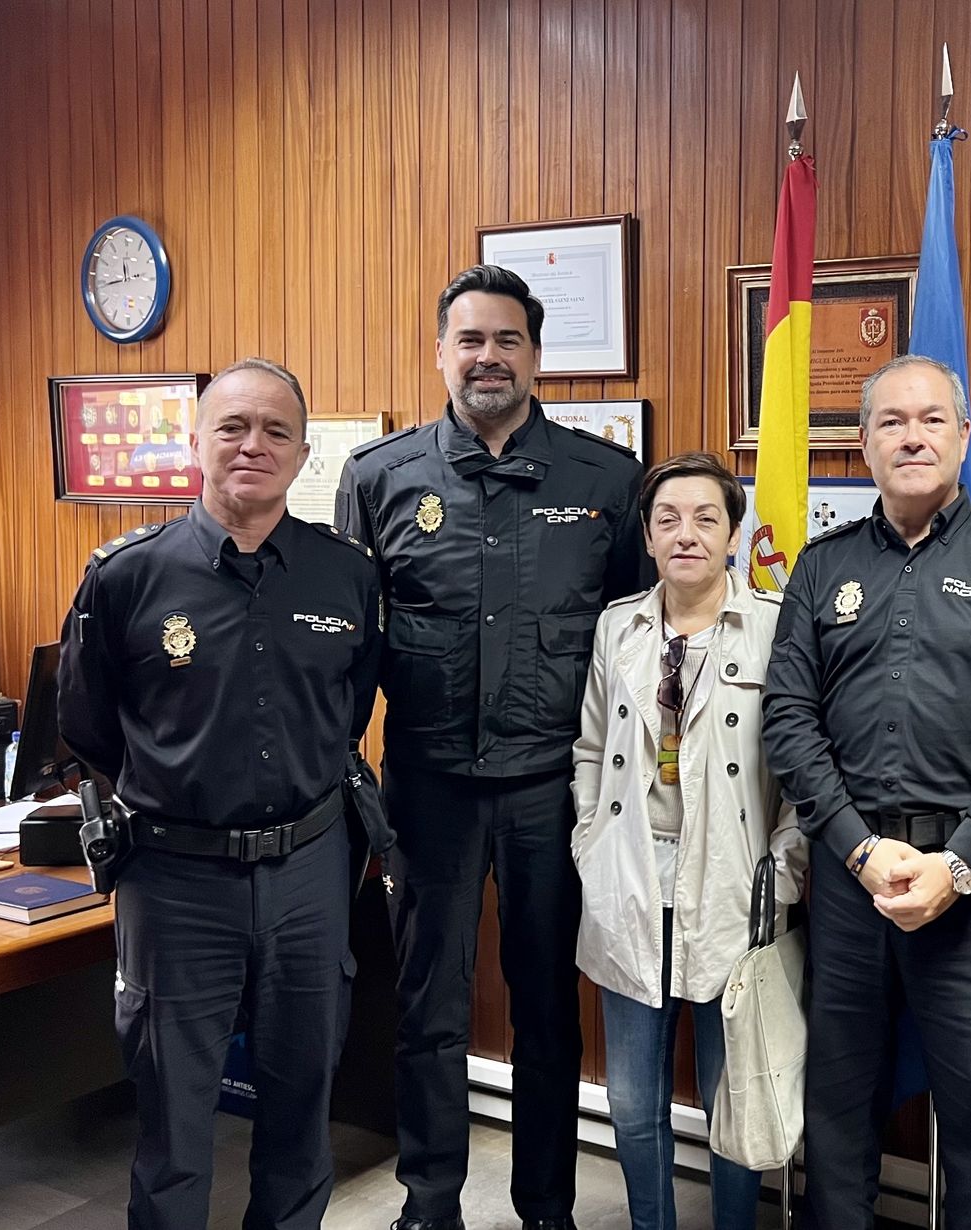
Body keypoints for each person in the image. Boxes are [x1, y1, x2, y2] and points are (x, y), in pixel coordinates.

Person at [335, 264, 652, 1230]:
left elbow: (633, 644)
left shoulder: (606, 480)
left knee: (548, 1013)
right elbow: (354, 644)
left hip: (551, 794)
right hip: (425, 789)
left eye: (506, 340)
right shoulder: (378, 478)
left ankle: (546, 1208)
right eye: (469, 340)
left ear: (536, 356)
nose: (487, 357)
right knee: (427, 1011)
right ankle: (430, 1202)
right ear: (441, 353)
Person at [58, 357, 383, 1230]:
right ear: (196, 441)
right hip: (174, 884)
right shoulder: (126, 577)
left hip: (310, 876)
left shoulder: (345, 575)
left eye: (277, 430)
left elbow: (345, 713)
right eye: (233, 426)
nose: (254, 445)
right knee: (173, 1128)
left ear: (304, 452)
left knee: (300, 1115)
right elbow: (88, 728)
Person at [763, 354, 971, 1230]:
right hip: (853, 878)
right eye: (892, 421)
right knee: (840, 1113)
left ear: (964, 438)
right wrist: (860, 850)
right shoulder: (823, 569)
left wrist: (959, 863)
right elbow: (789, 720)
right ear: (862, 443)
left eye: (933, 419)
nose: (912, 436)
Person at [570, 451, 807, 1230]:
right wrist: (591, 845)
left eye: (706, 518)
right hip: (632, 879)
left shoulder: (774, 629)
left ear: (734, 534)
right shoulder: (619, 628)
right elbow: (588, 747)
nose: (686, 534)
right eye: (668, 519)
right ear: (647, 534)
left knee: (732, 1090)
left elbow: (804, 771)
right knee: (635, 1099)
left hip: (735, 883)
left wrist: (785, 873)